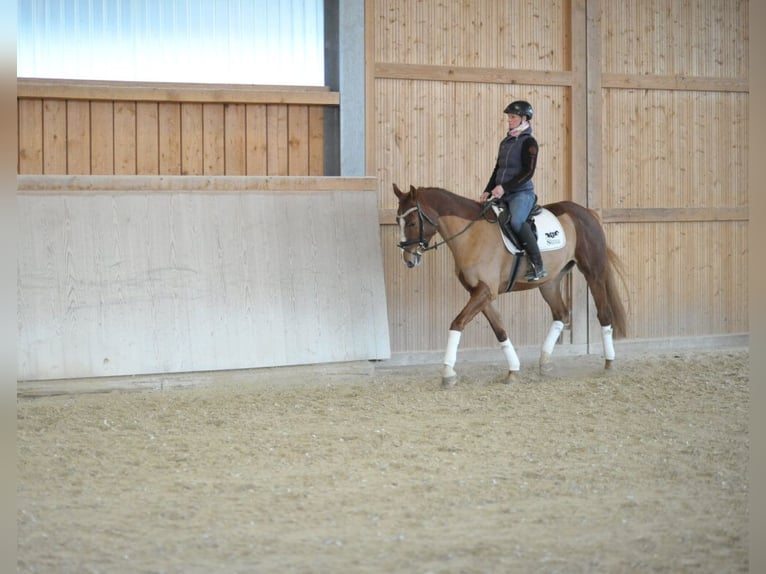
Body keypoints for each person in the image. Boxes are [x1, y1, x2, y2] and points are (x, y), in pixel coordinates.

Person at [480, 100, 547, 281]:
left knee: (517, 222)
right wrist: (488, 190)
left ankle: (538, 264)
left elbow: (528, 172)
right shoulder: (506, 141)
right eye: (508, 117)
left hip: (521, 193)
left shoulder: (529, 142)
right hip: (502, 193)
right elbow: (498, 169)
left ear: (524, 118)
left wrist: (505, 187)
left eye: (513, 117)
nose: (509, 120)